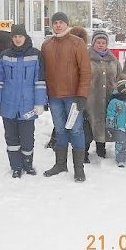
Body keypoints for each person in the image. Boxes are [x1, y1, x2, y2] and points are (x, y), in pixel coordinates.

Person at [41, 12, 91, 182]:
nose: (58, 25)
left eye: (61, 22)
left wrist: (82, 95)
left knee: (76, 130)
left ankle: (79, 168)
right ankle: (60, 164)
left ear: (67, 24)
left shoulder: (77, 43)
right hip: (54, 97)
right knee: (60, 130)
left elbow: (85, 71)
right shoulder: (46, 45)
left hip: (73, 96)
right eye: (55, 23)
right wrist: (44, 96)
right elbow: (43, 73)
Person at [0, 24, 47, 178]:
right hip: (8, 105)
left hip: (28, 106)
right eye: (15, 36)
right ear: (12, 38)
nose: (17, 39)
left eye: (20, 36)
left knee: (28, 137)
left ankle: (28, 165)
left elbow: (40, 80)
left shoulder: (36, 55)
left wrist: (40, 102)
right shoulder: (4, 55)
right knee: (11, 138)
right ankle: (16, 166)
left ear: (25, 37)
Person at [87, 29, 122, 159]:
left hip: (109, 96)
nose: (100, 44)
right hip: (92, 97)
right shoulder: (86, 57)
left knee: (105, 121)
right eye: (98, 42)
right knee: (91, 122)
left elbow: (119, 75)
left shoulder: (113, 59)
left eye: (103, 42)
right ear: (93, 43)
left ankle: (101, 148)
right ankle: (85, 149)